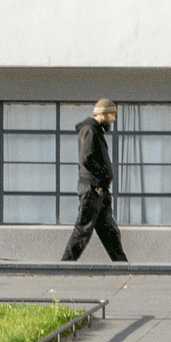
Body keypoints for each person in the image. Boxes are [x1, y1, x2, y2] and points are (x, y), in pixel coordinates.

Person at [62, 98, 127, 263]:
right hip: (92, 189)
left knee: (109, 232)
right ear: (102, 114)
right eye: (112, 115)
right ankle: (64, 265)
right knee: (83, 231)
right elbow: (87, 158)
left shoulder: (95, 130)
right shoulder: (89, 130)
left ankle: (122, 265)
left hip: (100, 190)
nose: (113, 119)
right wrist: (103, 175)